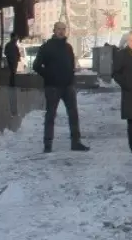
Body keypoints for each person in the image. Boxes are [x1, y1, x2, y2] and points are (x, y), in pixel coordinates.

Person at [32, 21, 89, 153]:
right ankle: (48, 145)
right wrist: (49, 75)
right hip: (52, 87)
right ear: (54, 30)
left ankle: (76, 142)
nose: (61, 31)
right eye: (59, 29)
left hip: (68, 86)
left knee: (73, 114)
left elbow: (71, 64)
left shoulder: (68, 47)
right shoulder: (46, 47)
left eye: (63, 29)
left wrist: (71, 77)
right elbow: (36, 66)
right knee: (50, 115)